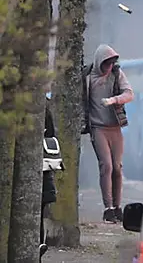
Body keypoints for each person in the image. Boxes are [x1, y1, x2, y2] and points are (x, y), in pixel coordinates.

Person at [82, 44, 133, 223]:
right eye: (105, 64)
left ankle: (118, 206)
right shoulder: (88, 77)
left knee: (117, 167)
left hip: (115, 126)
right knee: (106, 166)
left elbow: (129, 93)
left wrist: (114, 100)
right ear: (99, 63)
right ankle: (108, 207)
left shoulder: (117, 74)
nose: (108, 68)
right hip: (98, 127)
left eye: (111, 64)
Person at [41, 95, 57, 259]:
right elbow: (52, 134)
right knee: (39, 211)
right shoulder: (43, 104)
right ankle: (39, 242)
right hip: (44, 171)